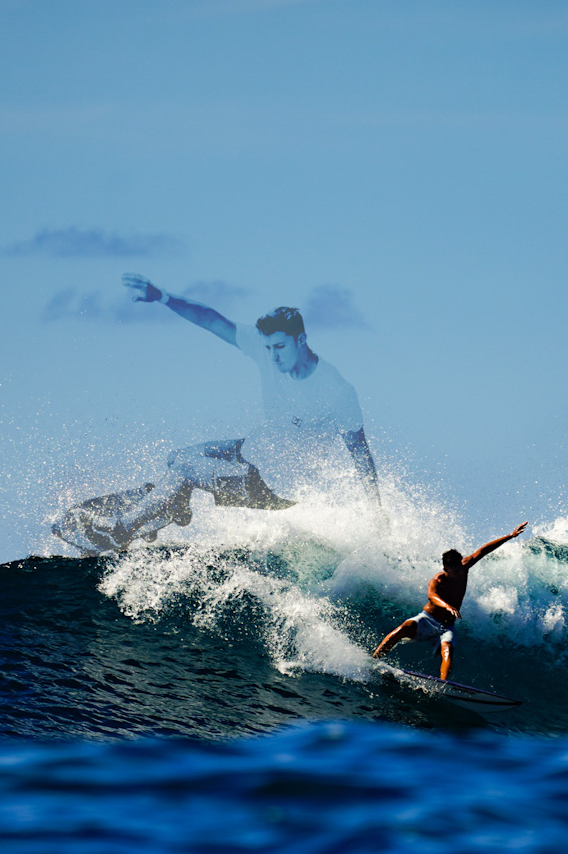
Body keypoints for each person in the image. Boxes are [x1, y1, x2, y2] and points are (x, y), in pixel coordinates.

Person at [52, 272, 383, 554]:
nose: (273, 356)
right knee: (176, 457)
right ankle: (167, 508)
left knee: (184, 469)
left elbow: (361, 454)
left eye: (280, 347)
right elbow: (211, 320)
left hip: (274, 485)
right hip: (255, 450)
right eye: (268, 348)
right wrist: (163, 297)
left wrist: (376, 516)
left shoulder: (337, 391)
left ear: (302, 339)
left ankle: (120, 530)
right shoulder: (266, 347)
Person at [372, 522, 529, 681]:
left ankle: (443, 685)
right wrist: (447, 606)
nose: (457, 573)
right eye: (452, 571)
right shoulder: (438, 579)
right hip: (428, 619)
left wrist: (510, 536)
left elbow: (484, 550)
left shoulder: (465, 566)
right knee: (404, 628)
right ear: (445, 568)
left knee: (448, 650)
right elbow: (431, 595)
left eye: (458, 569)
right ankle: (374, 659)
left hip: (446, 625)